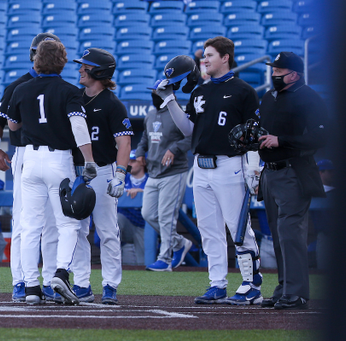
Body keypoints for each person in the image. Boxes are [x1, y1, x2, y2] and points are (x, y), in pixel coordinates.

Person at [155, 36, 263, 305]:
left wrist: (252, 167)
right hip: (201, 166)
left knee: (238, 228)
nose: (204, 59)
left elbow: (253, 133)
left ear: (225, 57)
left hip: (230, 164)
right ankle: (217, 284)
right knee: (208, 229)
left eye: (210, 55)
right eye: (204, 55)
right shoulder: (199, 92)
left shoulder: (243, 91)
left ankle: (251, 284)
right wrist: (170, 100)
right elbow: (189, 130)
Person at [4, 40, 97, 306]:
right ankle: (59, 273)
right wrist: (89, 159)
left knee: (31, 226)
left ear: (36, 60)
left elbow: (12, 123)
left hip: (30, 160)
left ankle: (31, 286)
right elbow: (79, 126)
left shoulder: (22, 88)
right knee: (67, 223)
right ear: (62, 61)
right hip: (59, 159)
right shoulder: (69, 91)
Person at [0, 32, 62, 303]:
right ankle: (20, 280)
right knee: (24, 222)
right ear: (33, 54)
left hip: (55, 156)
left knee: (53, 224)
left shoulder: (61, 86)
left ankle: (49, 281)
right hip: (24, 153)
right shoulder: (18, 85)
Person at [257, 52, 328, 310]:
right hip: (270, 171)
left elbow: (322, 135)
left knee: (290, 233)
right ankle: (284, 288)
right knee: (278, 234)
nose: (274, 74)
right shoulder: (268, 97)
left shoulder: (308, 97)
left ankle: (296, 293)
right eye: (274, 70)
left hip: (293, 170)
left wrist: (282, 140)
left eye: (279, 71)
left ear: (295, 74)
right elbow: (263, 131)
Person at [71, 47, 132, 305]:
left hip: (103, 171)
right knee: (77, 231)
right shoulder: (73, 97)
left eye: (85, 66)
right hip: (75, 171)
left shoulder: (112, 103)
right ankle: (82, 284)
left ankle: (110, 285)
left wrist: (120, 175)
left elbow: (125, 142)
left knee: (107, 231)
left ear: (99, 70)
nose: (80, 69)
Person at [135, 91, 193, 272]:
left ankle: (165, 259)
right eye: (153, 92)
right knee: (148, 214)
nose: (154, 95)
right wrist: (139, 152)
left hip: (174, 172)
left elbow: (191, 136)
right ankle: (179, 243)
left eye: (158, 92)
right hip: (154, 171)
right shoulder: (151, 114)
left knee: (167, 217)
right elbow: (145, 137)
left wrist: (174, 149)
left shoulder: (178, 114)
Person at [117, 150, 148, 266]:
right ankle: (112, 262)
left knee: (143, 263)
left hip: (143, 225)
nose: (130, 164)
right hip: (126, 224)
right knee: (117, 219)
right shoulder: (122, 179)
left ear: (143, 162)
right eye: (128, 161)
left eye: (133, 161)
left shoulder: (150, 180)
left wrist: (143, 192)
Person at [312, 159, 335, 270]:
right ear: (321, 172)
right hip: (323, 236)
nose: (332, 174)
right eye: (329, 171)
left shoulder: (337, 191)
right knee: (323, 271)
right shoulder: (312, 192)